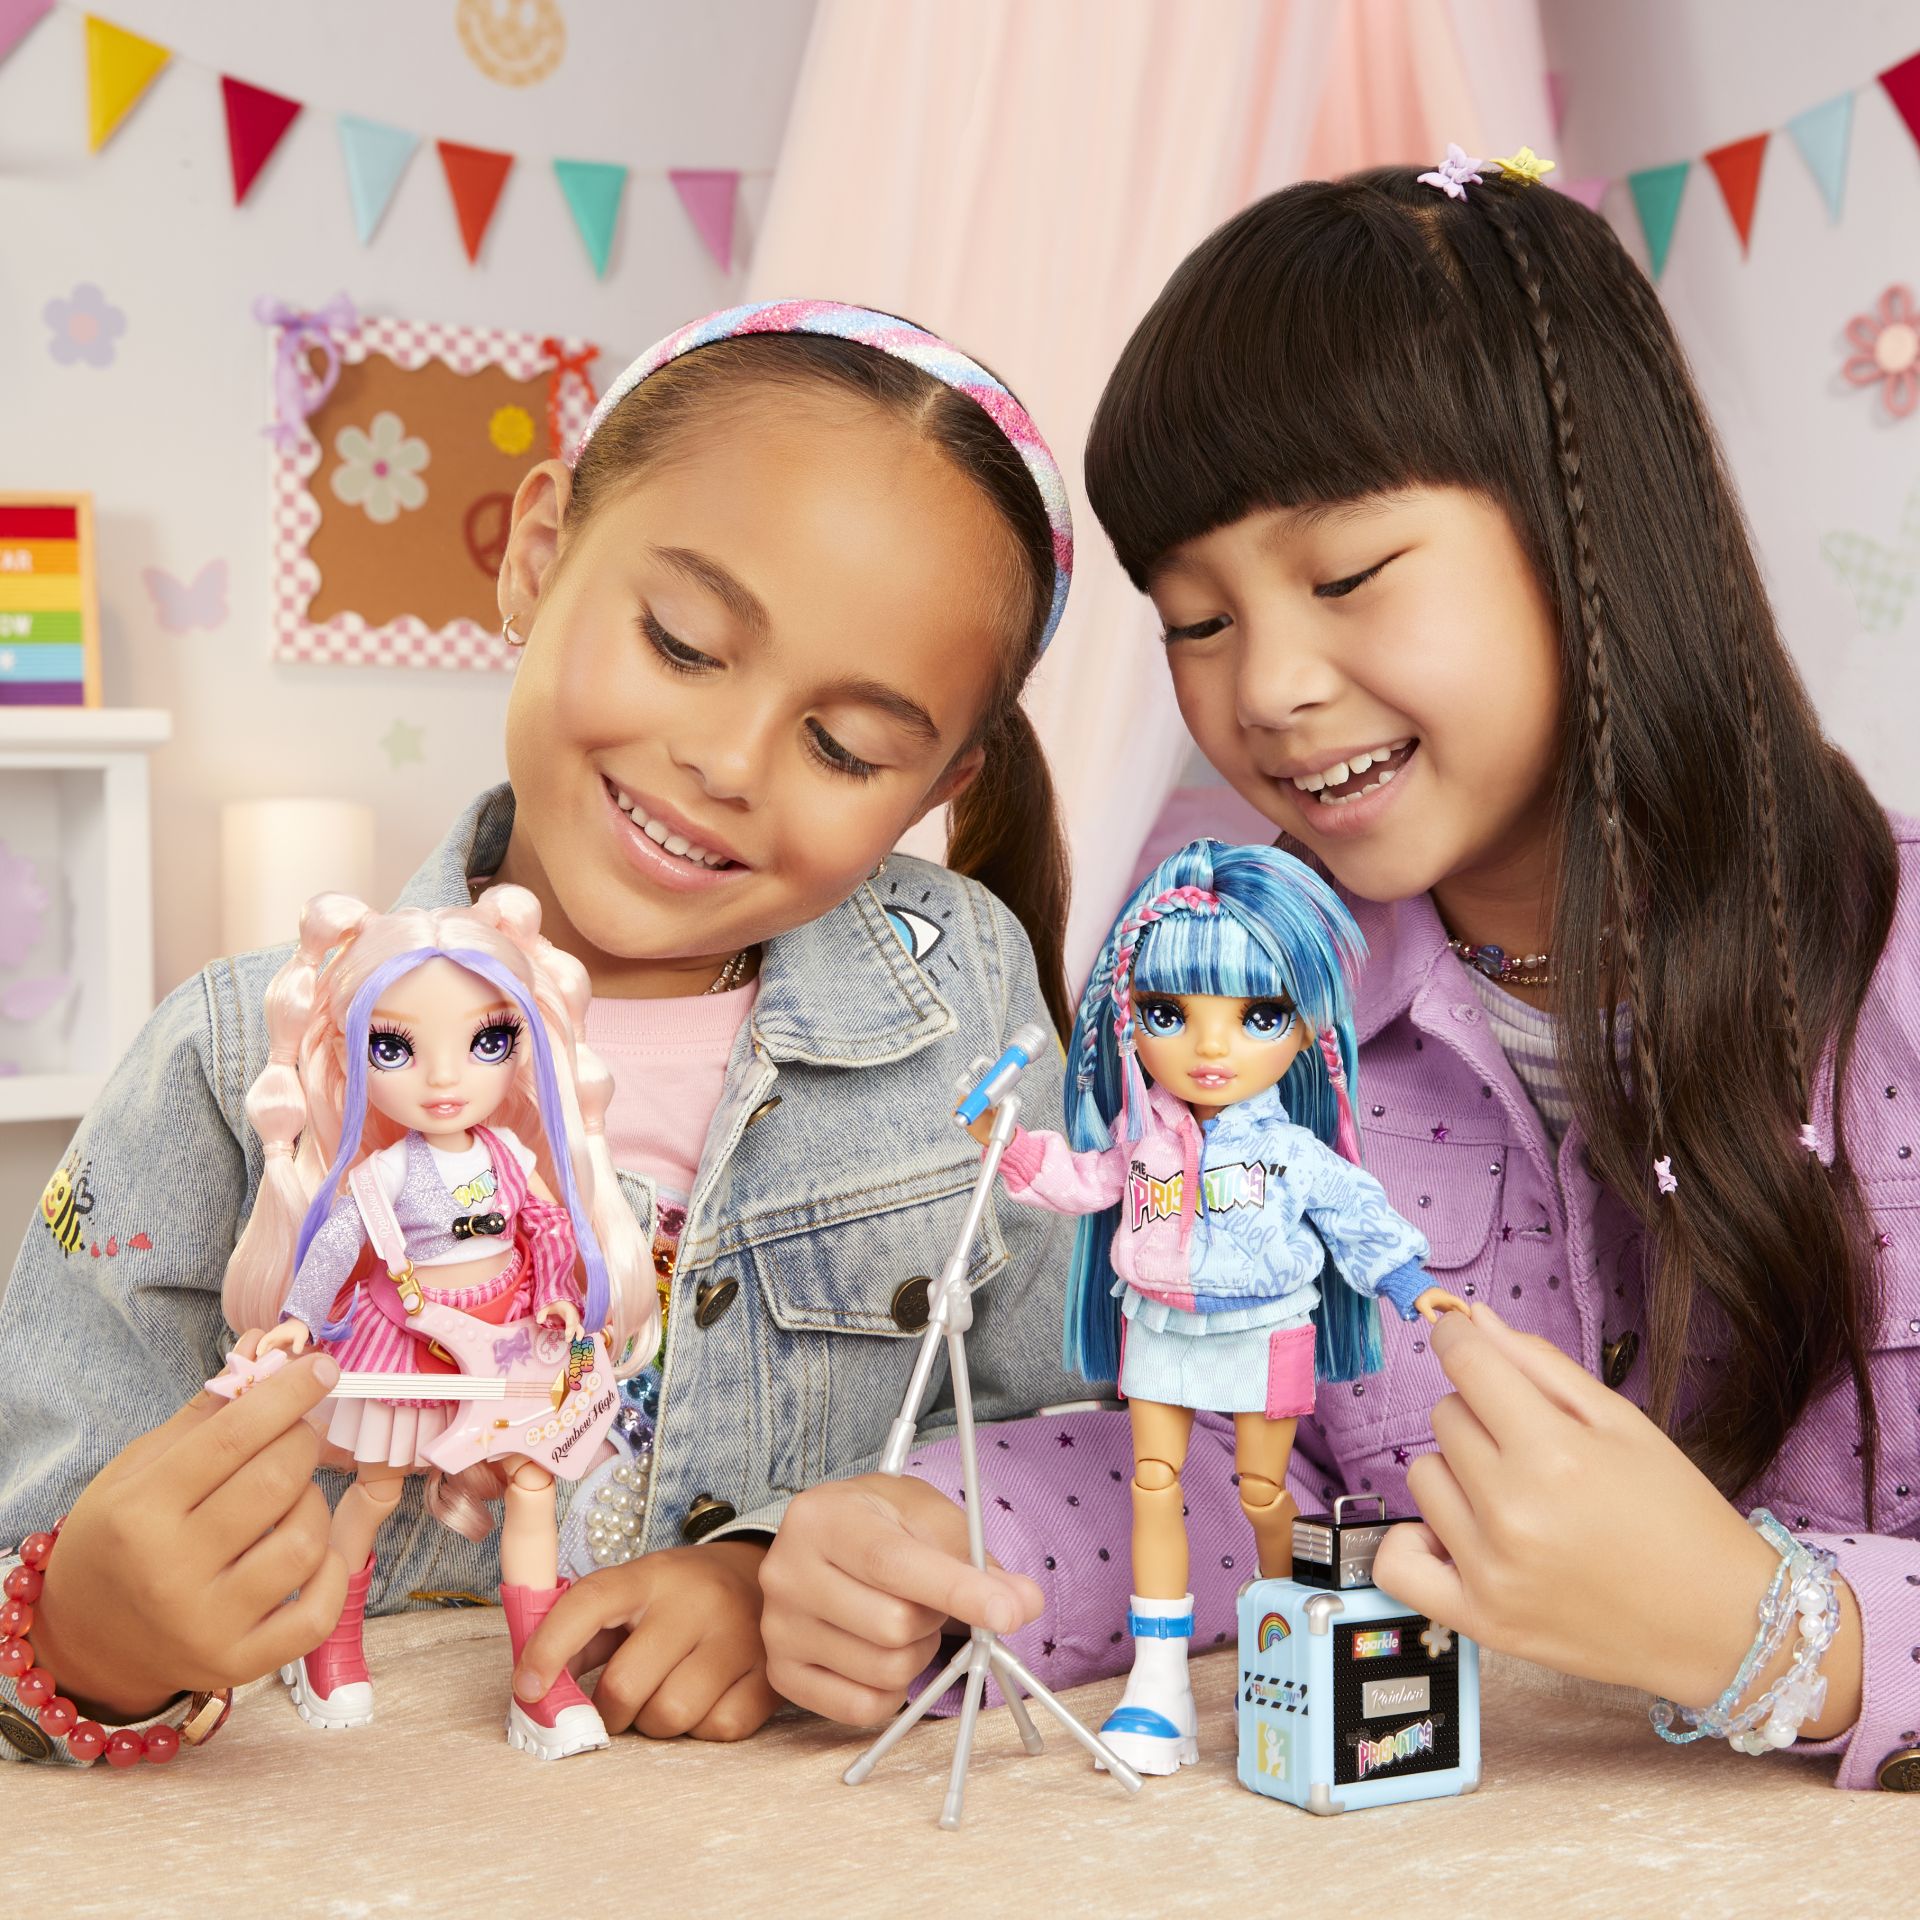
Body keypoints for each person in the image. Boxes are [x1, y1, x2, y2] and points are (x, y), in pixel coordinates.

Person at [0, 301, 1101, 1766]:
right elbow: (36, 1550)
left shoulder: (963, 997)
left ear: (940, 783)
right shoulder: (237, 1060)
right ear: (535, 558)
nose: (725, 761)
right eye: (684, 644)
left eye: (846, 748)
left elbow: (1065, 1434)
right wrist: (87, 1640)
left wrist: (770, 1571)